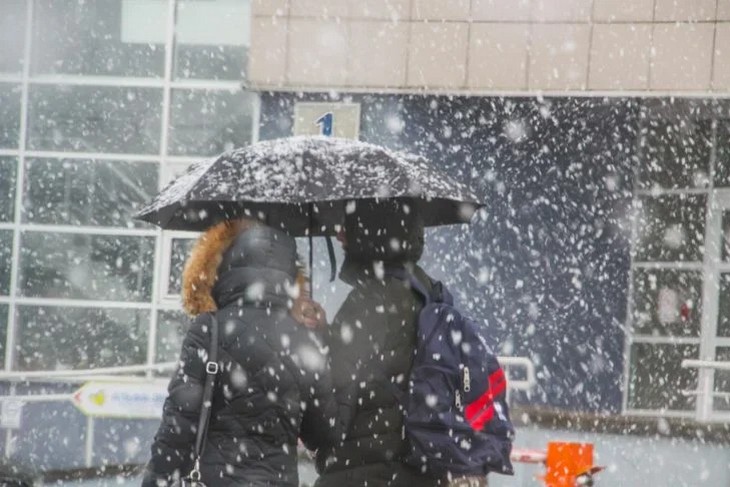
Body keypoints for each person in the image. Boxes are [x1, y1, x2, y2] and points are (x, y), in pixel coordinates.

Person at [142, 218, 347, 487]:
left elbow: (179, 422)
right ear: (288, 276)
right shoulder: (303, 342)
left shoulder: (210, 328)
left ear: (231, 265)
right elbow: (322, 432)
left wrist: (156, 479)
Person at [314, 198, 442, 487]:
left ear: (371, 231)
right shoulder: (428, 291)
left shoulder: (371, 300)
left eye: (348, 225)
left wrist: (314, 339)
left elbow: (334, 390)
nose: (338, 234)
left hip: (364, 467)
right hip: (418, 464)